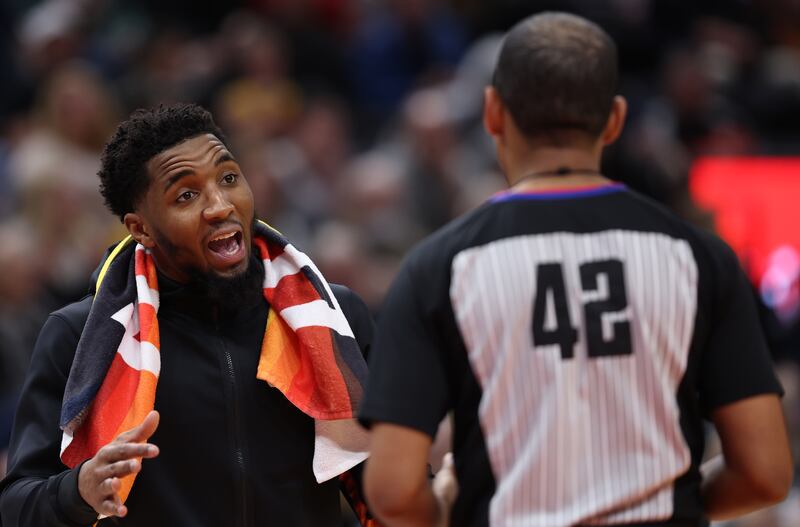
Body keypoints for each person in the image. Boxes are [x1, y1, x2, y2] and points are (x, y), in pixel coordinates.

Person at [359, 12, 793, 527]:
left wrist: (451, 509)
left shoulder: (439, 267)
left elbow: (391, 491)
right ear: (614, 119)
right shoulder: (698, 258)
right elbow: (765, 473)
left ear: (493, 113)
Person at [0, 103, 376, 526]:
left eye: (229, 178)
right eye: (186, 195)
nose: (219, 205)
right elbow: (16, 505)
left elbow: (388, 485)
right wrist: (79, 489)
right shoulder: (81, 336)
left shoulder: (330, 315)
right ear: (139, 229)